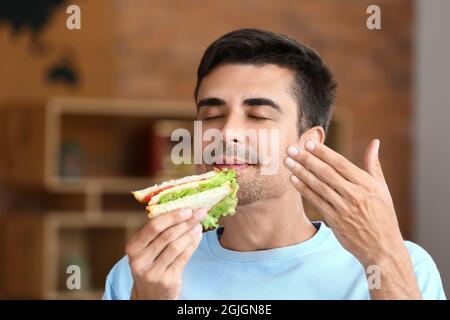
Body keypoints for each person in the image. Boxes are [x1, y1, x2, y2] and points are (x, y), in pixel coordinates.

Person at [103, 28, 446, 300]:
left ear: (309, 144)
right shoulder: (142, 272)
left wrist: (383, 257)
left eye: (257, 115)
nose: (227, 132)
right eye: (212, 114)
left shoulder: (401, 264)